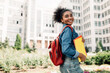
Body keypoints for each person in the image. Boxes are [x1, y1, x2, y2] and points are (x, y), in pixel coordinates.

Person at [53, 7, 86, 73]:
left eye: (71, 15)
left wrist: (80, 40)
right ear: (62, 20)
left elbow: (70, 44)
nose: (70, 18)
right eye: (66, 16)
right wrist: (81, 55)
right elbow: (66, 49)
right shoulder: (68, 29)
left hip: (67, 64)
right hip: (71, 64)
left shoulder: (65, 29)